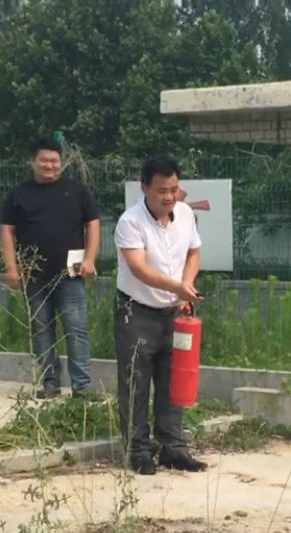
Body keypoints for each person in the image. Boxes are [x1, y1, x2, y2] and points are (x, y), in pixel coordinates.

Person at [112, 155, 208, 476]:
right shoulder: (130, 222)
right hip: (137, 312)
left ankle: (173, 448)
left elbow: (194, 252)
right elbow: (139, 269)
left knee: (173, 380)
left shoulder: (185, 214)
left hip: (174, 313)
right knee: (135, 384)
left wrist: (187, 285)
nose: (169, 197)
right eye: (161, 190)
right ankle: (138, 450)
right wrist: (177, 287)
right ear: (144, 188)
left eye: (174, 189)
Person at [0, 137, 100, 399]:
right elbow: (7, 231)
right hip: (33, 275)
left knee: (76, 329)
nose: (50, 165)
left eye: (55, 161)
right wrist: (11, 267)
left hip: (70, 273)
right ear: (32, 162)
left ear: (61, 163)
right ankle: (50, 382)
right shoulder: (19, 194)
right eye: (44, 160)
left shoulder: (77, 190)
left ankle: (82, 387)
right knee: (41, 329)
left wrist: (90, 259)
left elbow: (92, 224)